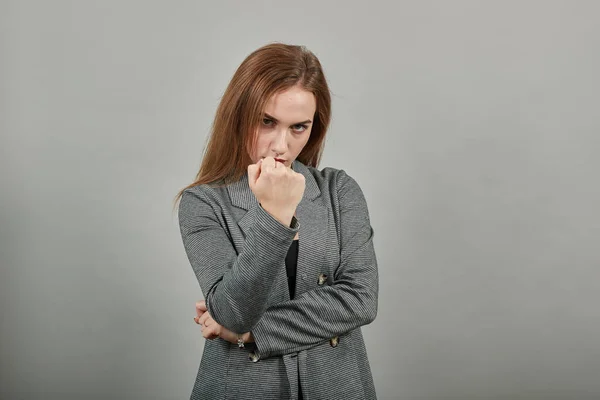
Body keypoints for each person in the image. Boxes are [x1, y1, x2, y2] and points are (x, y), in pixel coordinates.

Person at [176, 43, 379, 400]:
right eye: (266, 122)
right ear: (240, 115)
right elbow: (233, 311)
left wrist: (248, 333)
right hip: (243, 387)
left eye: (298, 127)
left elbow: (360, 299)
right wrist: (275, 214)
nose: (279, 146)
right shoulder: (203, 202)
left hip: (337, 384)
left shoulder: (339, 190)